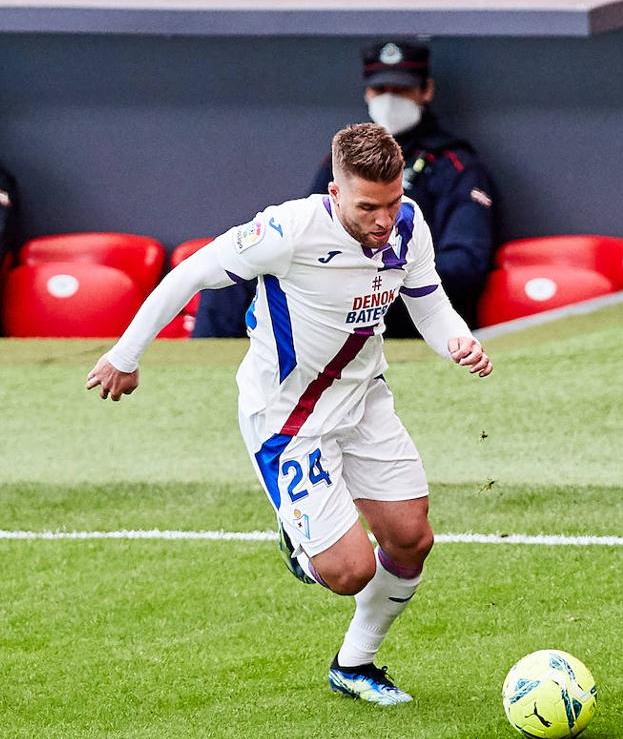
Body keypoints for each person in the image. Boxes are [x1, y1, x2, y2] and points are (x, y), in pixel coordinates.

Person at [87, 123, 493, 704]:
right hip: (287, 421)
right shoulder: (287, 229)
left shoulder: (407, 224)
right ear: (335, 192)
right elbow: (190, 274)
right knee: (348, 571)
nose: (384, 219)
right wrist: (126, 356)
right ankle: (299, 539)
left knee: (411, 539)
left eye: (394, 201)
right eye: (368, 206)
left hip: (363, 401)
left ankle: (355, 665)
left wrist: (457, 341)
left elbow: (428, 302)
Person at [194, 40, 496, 337]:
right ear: (367, 92)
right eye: (381, 90)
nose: (390, 100)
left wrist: (384, 271)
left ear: (425, 91)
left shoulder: (454, 164)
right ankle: (205, 369)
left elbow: (466, 264)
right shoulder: (343, 160)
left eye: (402, 90)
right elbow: (309, 228)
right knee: (236, 272)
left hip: (399, 295)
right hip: (332, 282)